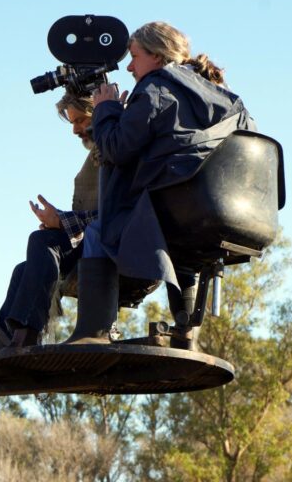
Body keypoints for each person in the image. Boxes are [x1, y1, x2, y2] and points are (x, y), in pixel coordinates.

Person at [67, 21, 256, 348]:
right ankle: (186, 331)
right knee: (179, 240)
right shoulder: (223, 97)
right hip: (225, 211)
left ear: (156, 56)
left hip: (172, 213)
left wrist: (106, 108)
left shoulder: (155, 88)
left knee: (99, 230)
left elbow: (116, 150)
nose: (129, 66)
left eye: (134, 56)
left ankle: (93, 332)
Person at [0, 89, 99, 350]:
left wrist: (61, 222)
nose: (75, 130)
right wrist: (57, 221)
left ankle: (27, 334)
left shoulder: (116, 151)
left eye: (80, 120)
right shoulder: (96, 156)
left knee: (42, 241)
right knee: (24, 270)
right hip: (91, 239)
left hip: (113, 242)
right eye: (73, 123)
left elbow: (118, 212)